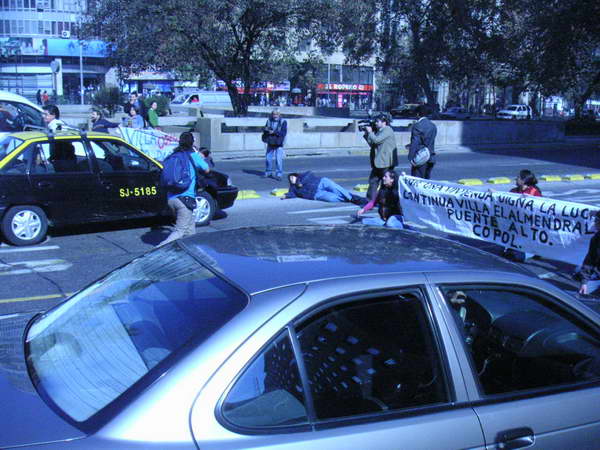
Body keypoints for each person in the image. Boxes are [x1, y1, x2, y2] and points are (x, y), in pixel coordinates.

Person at [157, 132, 210, 247]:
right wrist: (198, 154)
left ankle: (194, 251)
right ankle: (157, 250)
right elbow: (206, 169)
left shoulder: (173, 155)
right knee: (180, 231)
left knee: (190, 230)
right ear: (192, 143)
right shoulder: (193, 155)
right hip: (184, 199)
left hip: (171, 198)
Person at [364, 113, 397, 202]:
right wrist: (367, 134)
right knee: (373, 181)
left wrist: (370, 132)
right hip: (378, 161)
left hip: (385, 162)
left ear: (384, 122)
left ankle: (389, 200)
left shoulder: (387, 130)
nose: (375, 123)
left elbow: (376, 140)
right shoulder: (380, 131)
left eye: (377, 121)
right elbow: (372, 144)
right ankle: (370, 201)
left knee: (386, 183)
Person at [282, 172, 364, 204]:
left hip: (321, 182)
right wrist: (286, 196)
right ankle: (350, 199)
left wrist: (300, 182)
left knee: (338, 189)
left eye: (292, 177)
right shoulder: (293, 188)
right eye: (290, 179)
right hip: (316, 194)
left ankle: (353, 198)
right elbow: (292, 194)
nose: (291, 179)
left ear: (296, 176)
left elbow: (310, 174)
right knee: (331, 199)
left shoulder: (302, 176)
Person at [408, 104, 437, 179]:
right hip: (431, 157)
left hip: (421, 157)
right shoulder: (433, 125)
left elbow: (415, 143)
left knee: (417, 181)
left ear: (418, 114)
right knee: (426, 182)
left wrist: (411, 157)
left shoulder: (417, 125)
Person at [578, 211, 600, 296]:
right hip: (598, 277)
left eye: (597, 221)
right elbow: (589, 261)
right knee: (583, 295)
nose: (594, 223)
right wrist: (584, 282)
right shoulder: (596, 238)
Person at [262, 109, 287, 181]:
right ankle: (268, 172)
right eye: (273, 114)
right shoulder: (269, 121)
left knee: (278, 160)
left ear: (279, 114)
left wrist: (274, 132)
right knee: (268, 159)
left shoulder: (283, 122)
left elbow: (283, 133)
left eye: (276, 114)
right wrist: (266, 130)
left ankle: (279, 174)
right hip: (270, 142)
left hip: (279, 143)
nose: (275, 116)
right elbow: (265, 129)